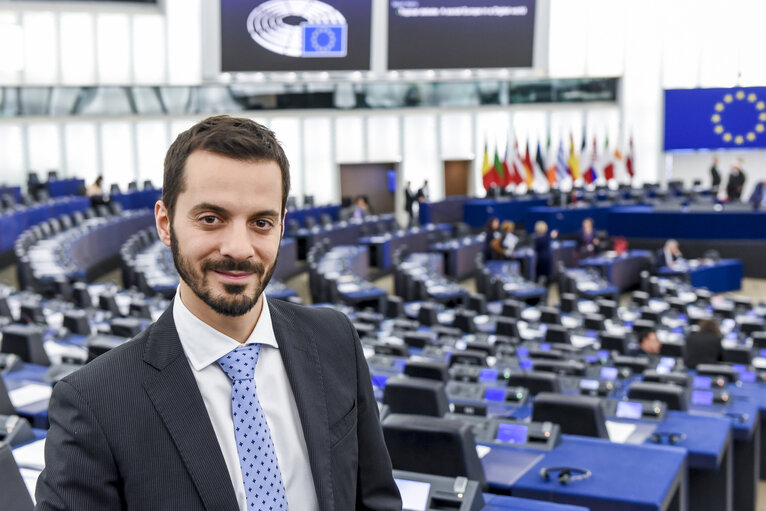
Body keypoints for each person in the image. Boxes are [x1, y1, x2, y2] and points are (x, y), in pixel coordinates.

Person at [36, 115, 401, 510]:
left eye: (261, 222)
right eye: (211, 219)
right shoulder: (95, 403)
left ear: (281, 228)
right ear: (165, 223)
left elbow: (375, 500)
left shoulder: (335, 339)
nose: (239, 248)